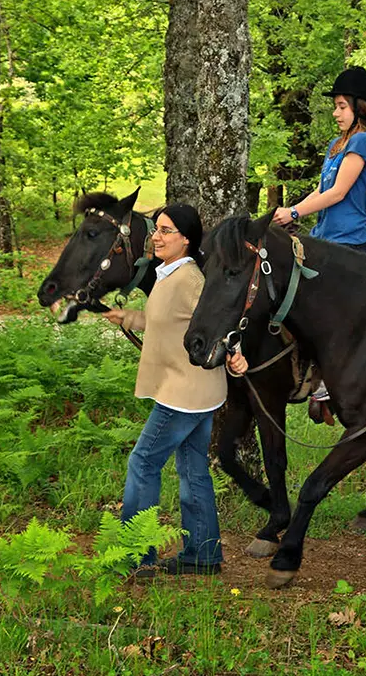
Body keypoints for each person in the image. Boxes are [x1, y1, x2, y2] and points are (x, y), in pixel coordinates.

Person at [105, 204, 247, 577]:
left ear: (186, 239)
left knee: (142, 463)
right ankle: (202, 554)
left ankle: (137, 557)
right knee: (193, 468)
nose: (157, 236)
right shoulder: (169, 273)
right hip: (197, 392)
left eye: (167, 231)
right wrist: (128, 318)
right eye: (157, 229)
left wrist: (236, 352)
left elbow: (220, 318)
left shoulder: (191, 280)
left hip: (184, 394)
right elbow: (167, 322)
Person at [274, 66, 366, 403]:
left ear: (359, 108)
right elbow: (320, 191)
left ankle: (327, 375)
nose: (335, 113)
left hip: (349, 239)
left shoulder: (362, 141)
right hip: (324, 235)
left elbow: (337, 194)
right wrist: (290, 211)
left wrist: (294, 213)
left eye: (341, 106)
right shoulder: (337, 145)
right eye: (335, 106)